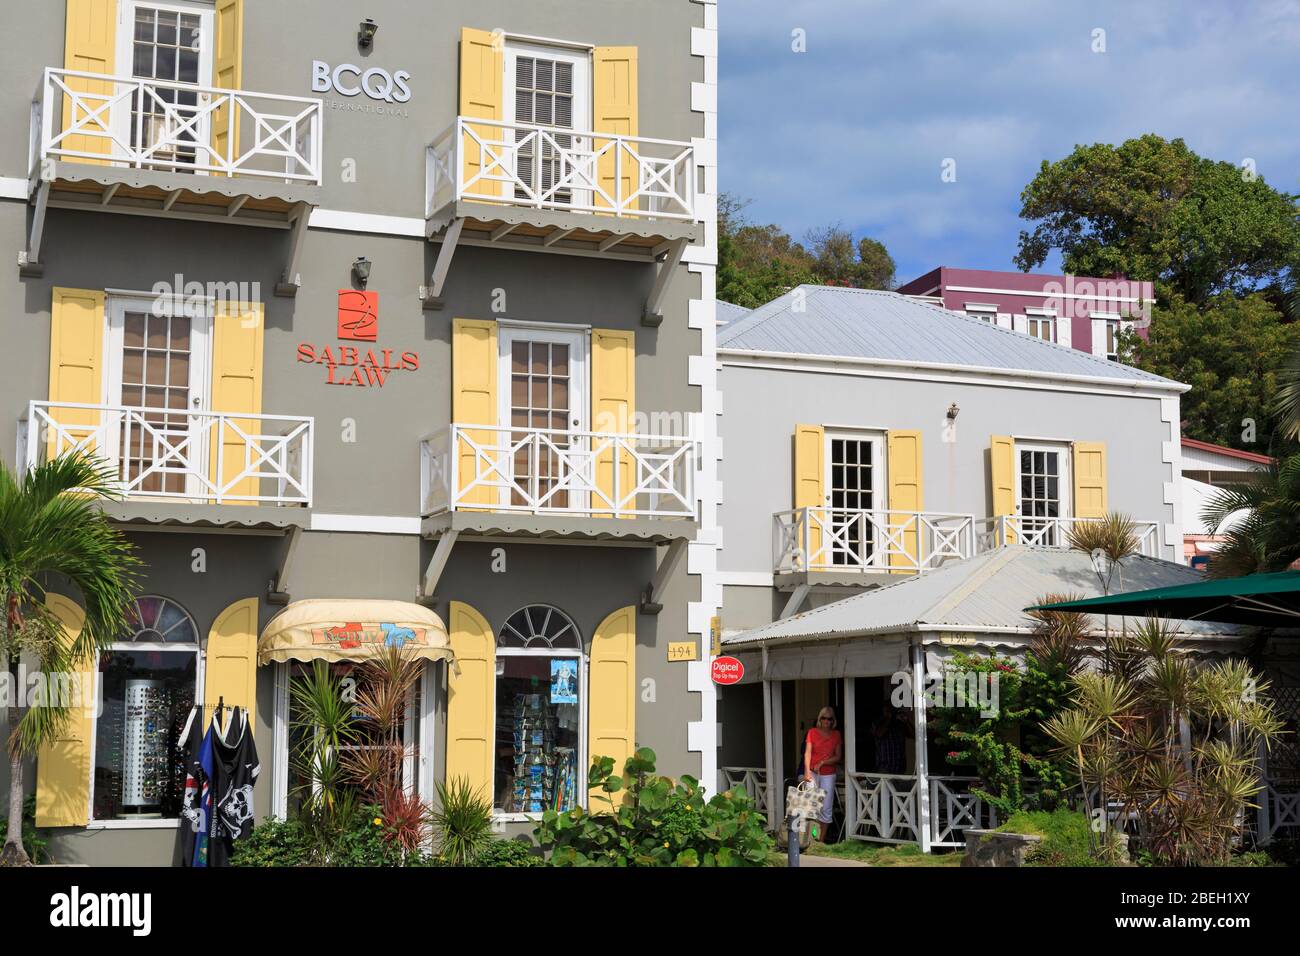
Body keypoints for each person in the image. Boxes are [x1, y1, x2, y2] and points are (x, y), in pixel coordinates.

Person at [803, 706, 842, 838]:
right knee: (812, 807)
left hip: (828, 774)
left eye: (829, 718)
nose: (826, 721)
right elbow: (807, 753)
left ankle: (820, 840)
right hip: (813, 773)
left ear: (833, 720)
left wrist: (824, 762)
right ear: (820, 719)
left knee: (825, 808)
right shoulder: (812, 732)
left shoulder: (836, 734)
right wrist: (807, 771)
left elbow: (838, 756)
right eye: (823, 718)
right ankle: (812, 837)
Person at [872, 702, 905, 775]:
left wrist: (907, 719)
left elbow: (914, 735)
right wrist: (888, 717)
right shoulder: (877, 723)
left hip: (899, 768)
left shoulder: (899, 724)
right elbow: (879, 734)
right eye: (888, 710)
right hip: (884, 768)